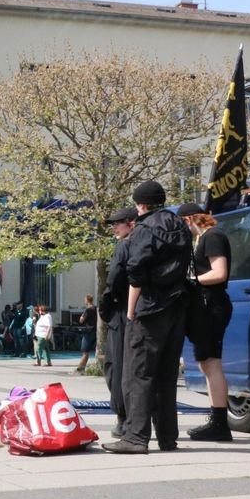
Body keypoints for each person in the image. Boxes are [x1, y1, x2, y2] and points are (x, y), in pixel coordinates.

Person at [105, 180, 192, 455]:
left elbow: (136, 269)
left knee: (138, 373)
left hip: (151, 307)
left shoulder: (145, 228)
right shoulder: (179, 225)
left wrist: (131, 310)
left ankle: (135, 437)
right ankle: (168, 437)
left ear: (140, 204)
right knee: (166, 375)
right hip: (177, 307)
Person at [179, 201, 234, 442]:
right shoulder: (206, 238)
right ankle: (217, 420)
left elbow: (219, 272)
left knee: (211, 363)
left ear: (188, 220)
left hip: (212, 306)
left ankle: (220, 423)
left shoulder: (213, 236)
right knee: (207, 363)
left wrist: (192, 280)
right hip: (208, 306)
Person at [99, 206, 137, 438]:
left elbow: (113, 279)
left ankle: (123, 418)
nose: (114, 227)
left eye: (118, 222)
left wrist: (106, 306)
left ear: (130, 223)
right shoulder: (146, 243)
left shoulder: (124, 246)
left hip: (123, 313)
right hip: (143, 312)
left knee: (116, 366)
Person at [76, 294, 98, 373]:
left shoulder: (88, 310)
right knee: (90, 351)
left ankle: (80, 369)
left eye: (84, 300)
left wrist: (81, 317)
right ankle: (83, 368)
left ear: (87, 300)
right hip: (95, 331)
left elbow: (81, 320)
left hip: (88, 332)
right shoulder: (96, 308)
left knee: (85, 351)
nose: (84, 301)